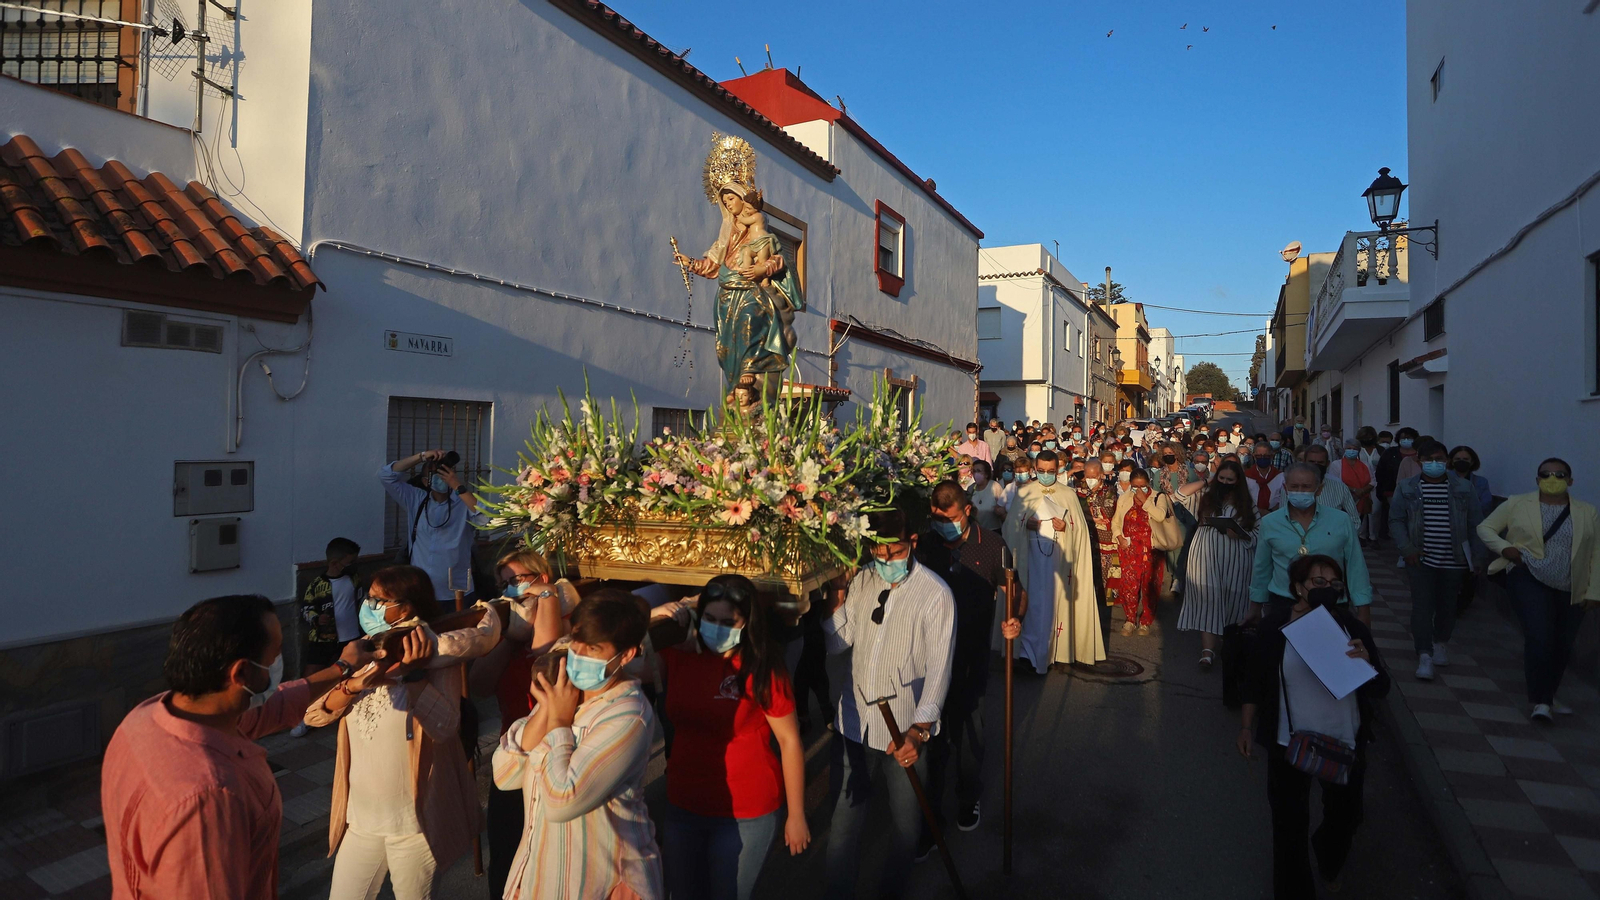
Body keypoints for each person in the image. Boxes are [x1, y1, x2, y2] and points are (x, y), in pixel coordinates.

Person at [103, 595, 375, 900]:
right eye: (274, 658)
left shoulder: (149, 716)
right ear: (241, 673)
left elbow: (275, 705)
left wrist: (343, 667)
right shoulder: (208, 798)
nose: (278, 665)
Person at [308, 565, 493, 900]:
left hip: (414, 824)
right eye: (370, 597)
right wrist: (351, 685)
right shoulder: (361, 649)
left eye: (379, 600)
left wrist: (414, 675)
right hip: (360, 820)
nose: (369, 605)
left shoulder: (437, 655)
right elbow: (313, 715)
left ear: (406, 608)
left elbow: (446, 726)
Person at [493, 589, 664, 899]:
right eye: (576, 642)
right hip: (539, 874)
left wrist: (558, 723)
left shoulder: (627, 715)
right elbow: (505, 776)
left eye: (594, 648)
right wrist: (546, 710)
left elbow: (561, 802)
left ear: (625, 655)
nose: (578, 655)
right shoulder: (564, 691)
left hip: (597, 881)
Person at [821, 507, 955, 900]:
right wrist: (837, 595)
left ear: (912, 543)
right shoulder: (863, 578)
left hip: (903, 732)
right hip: (853, 723)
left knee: (905, 828)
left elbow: (939, 670)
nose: (884, 562)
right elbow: (836, 643)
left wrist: (920, 729)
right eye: (878, 554)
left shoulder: (935, 595)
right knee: (844, 828)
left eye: (893, 553)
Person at [1237, 555, 1390, 898]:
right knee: (1288, 826)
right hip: (1288, 742)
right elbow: (1255, 681)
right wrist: (1247, 726)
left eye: (1334, 585)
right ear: (1297, 588)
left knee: (1346, 818)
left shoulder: (1352, 628)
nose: (1327, 590)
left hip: (1344, 742)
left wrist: (1367, 664)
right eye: (1318, 583)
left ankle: (1328, 854)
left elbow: (1381, 689)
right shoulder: (1275, 627)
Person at [649, 575, 808, 900]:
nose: (716, 628)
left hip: (746, 812)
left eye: (726, 621)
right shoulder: (677, 656)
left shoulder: (762, 667)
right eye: (709, 618)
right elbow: (620, 659)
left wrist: (796, 814)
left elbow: (790, 742)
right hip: (684, 804)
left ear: (746, 623)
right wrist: (654, 617)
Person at [915, 482, 1021, 854]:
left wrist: (1013, 619)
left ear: (968, 512)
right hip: (927, 657)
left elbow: (1014, 592)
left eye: (950, 519)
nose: (943, 525)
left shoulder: (991, 546)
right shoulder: (925, 545)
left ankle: (967, 796)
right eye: (936, 518)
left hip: (971, 656)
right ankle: (929, 817)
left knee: (968, 731)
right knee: (932, 735)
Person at [468, 548, 573, 898]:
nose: (510, 591)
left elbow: (545, 658)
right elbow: (480, 687)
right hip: (512, 754)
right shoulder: (508, 632)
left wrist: (546, 597)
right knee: (505, 849)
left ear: (542, 577)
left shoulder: (568, 624)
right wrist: (508, 640)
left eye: (516, 581)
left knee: (547, 857)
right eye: (503, 584)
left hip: (554, 756)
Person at [1478, 459, 1600, 721]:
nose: (1552, 478)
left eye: (1560, 474)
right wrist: (1505, 548)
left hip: (1571, 583)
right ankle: (1542, 702)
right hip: (1527, 576)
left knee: (1562, 643)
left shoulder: (1587, 511)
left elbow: (1596, 552)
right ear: (1537, 480)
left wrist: (1595, 590)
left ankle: (1548, 693)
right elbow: (1485, 527)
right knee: (1539, 636)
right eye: (1546, 474)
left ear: (1570, 480)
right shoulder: (1517, 503)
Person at [1388, 440, 1486, 680]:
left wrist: (1478, 556)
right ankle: (1424, 654)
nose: (1435, 464)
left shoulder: (1463, 488)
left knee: (1447, 605)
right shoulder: (1407, 487)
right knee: (1422, 606)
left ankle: (1441, 641)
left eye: (1440, 459)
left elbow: (1476, 523)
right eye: (1429, 459)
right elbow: (1396, 520)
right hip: (1420, 559)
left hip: (1454, 558)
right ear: (1419, 461)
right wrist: (1406, 548)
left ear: (1447, 461)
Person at [1003, 450, 1106, 669]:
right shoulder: (1025, 492)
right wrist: (1024, 524)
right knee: (1031, 606)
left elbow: (1079, 531)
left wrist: (1065, 526)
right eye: (1041, 471)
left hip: (1057, 563)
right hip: (1030, 559)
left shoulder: (1067, 494)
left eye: (1051, 471)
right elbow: (1009, 528)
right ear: (1034, 469)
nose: (1046, 475)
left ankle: (1057, 651)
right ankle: (1026, 654)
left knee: (1053, 606)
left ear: (1058, 469)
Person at [1250, 463, 1373, 625]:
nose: (1300, 491)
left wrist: (1363, 610)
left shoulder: (1341, 520)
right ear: (1286, 488)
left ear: (1319, 489)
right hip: (1284, 603)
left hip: (1331, 602)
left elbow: (1355, 566)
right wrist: (1255, 608)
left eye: (1306, 487)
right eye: (1294, 486)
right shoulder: (1270, 522)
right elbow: (1262, 567)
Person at [1176, 459, 1258, 669]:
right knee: (1208, 601)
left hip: (1236, 558)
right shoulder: (1205, 498)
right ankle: (1207, 652)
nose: (1225, 482)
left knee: (1234, 600)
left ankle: (1229, 644)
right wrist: (1206, 481)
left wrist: (1241, 534)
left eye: (1230, 479)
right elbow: (1180, 494)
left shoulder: (1247, 504)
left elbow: (1258, 532)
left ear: (1238, 481)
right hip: (1205, 555)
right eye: (1222, 478)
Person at [380, 449, 486, 606]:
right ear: (425, 481)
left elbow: (486, 519)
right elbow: (386, 476)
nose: (441, 477)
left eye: (445, 473)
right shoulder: (416, 499)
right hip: (422, 591)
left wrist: (457, 486)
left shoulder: (463, 502)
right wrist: (421, 457)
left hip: (456, 593)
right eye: (435, 474)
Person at [295, 537, 363, 736]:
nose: (352, 565)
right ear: (334, 563)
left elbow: (361, 599)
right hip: (322, 639)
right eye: (349, 562)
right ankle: (303, 717)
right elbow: (306, 609)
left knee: (349, 676)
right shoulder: (317, 584)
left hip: (350, 637)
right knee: (312, 677)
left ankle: (346, 713)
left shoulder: (354, 578)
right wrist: (317, 619)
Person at [1112, 469, 1171, 636]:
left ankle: (1146, 621)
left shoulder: (1158, 497)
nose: (1138, 490)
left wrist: (1145, 501)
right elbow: (1116, 521)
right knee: (1129, 586)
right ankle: (1130, 619)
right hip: (1129, 549)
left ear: (1148, 484)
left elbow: (1160, 516)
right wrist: (1119, 537)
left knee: (1149, 586)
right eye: (1135, 486)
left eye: (1142, 486)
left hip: (1152, 549)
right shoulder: (1124, 498)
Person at [1273, 445, 1360, 531]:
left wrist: (1339, 539)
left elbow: (1354, 520)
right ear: (1304, 462)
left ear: (1327, 464)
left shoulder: (1340, 487)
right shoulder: (1292, 488)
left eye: (1320, 462)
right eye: (1312, 462)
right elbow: (1283, 518)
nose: (1316, 466)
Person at [1078, 459, 1123, 610]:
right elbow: (1075, 509)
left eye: (1094, 476)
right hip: (1085, 536)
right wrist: (1092, 515)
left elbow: (1107, 512)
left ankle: (1105, 603)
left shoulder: (1109, 491)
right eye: (1088, 476)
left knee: (1106, 572)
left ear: (1101, 475)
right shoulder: (1080, 488)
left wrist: (1087, 513)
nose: (1090, 480)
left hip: (1105, 539)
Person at [1450, 445, 1493, 512]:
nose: (1461, 461)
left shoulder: (1481, 482)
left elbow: (1485, 505)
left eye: (1465, 459)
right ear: (1452, 462)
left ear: (1472, 462)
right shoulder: (1445, 480)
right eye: (1457, 459)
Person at [968, 458, 1007, 531]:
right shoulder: (970, 488)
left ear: (986, 474)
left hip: (994, 530)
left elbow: (1003, 507)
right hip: (977, 530)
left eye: (979, 471)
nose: (976, 474)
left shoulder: (995, 486)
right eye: (974, 471)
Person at [1245, 444, 1282, 513]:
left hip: (1275, 514)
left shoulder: (1280, 477)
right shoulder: (1246, 476)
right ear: (1254, 456)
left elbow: (1283, 499)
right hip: (1251, 514)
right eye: (1258, 456)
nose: (1262, 458)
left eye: (1266, 456)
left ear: (1272, 456)